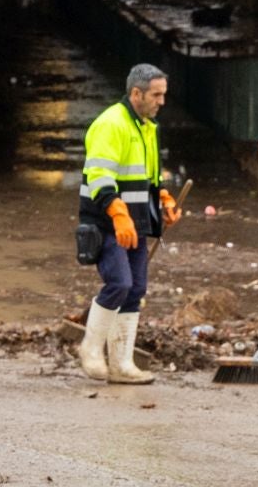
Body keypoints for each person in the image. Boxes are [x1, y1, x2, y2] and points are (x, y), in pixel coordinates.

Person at [76, 63, 181, 384]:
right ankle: (91, 350)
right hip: (107, 223)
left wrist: (163, 197)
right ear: (136, 93)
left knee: (136, 289)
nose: (162, 101)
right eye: (156, 95)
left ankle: (122, 364)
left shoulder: (147, 126)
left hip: (136, 221)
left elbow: (148, 175)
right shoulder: (111, 124)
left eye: (163, 94)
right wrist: (117, 212)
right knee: (119, 283)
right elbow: (99, 175)